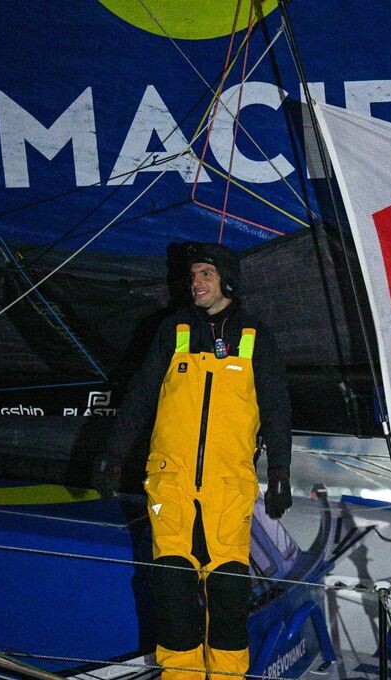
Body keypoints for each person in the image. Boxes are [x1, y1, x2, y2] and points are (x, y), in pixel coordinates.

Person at [93, 241, 292, 680]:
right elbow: (141, 396)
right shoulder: (173, 330)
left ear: (228, 281)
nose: (196, 283)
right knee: (171, 586)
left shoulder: (255, 336)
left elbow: (277, 408)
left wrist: (280, 471)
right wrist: (113, 454)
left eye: (206, 274)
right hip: (171, 478)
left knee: (228, 590)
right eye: (193, 275)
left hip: (228, 483)